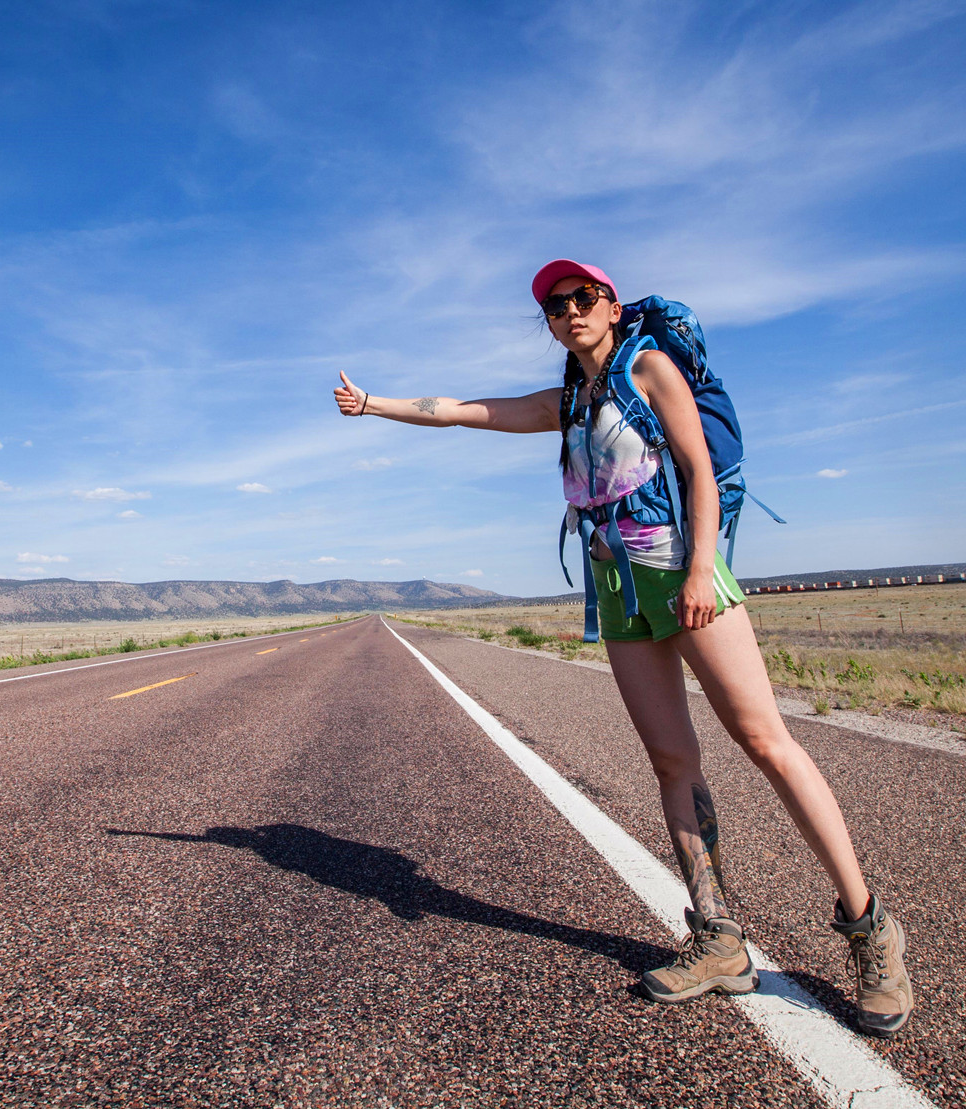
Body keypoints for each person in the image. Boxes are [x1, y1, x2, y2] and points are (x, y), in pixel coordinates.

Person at [333, 259, 913, 1035]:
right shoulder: (569, 400)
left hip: (684, 574)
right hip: (617, 595)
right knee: (673, 761)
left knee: (765, 741)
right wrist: (374, 404)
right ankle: (718, 939)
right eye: (553, 306)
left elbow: (700, 473)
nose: (568, 312)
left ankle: (870, 929)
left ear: (610, 305)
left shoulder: (648, 367)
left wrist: (703, 569)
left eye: (582, 298)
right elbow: (466, 410)